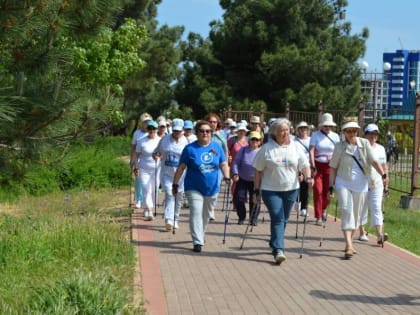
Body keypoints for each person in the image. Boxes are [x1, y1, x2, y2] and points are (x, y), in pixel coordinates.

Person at [253, 118, 312, 265]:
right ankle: (279, 250)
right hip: (270, 190)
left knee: (283, 219)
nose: (285, 133)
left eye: (286, 130)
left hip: (291, 189)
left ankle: (274, 242)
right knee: (278, 218)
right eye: (281, 131)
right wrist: (256, 190)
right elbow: (258, 171)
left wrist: (308, 176)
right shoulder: (266, 149)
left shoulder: (296, 147)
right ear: (274, 133)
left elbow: (305, 165)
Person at [328, 118, 387, 259]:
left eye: (354, 130)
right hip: (343, 182)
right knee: (347, 210)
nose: (351, 133)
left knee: (356, 215)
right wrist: (331, 187)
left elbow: (373, 161)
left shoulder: (364, 143)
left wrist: (383, 175)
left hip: (361, 183)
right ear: (343, 132)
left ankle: (350, 242)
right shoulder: (339, 147)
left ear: (357, 131)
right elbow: (333, 168)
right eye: (348, 131)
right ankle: (348, 244)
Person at [172, 120, 231, 253]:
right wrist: (175, 184)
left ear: (211, 133)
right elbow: (181, 167)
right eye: (202, 131)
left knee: (206, 214)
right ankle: (197, 241)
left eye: (208, 131)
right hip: (193, 186)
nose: (205, 133)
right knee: (196, 212)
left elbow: (223, 164)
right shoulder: (190, 149)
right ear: (196, 133)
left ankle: (201, 233)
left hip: (212, 188)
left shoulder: (217, 147)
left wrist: (227, 176)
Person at [154, 118, 188, 230]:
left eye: (179, 131)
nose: (176, 133)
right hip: (167, 174)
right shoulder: (164, 140)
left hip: (181, 176)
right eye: (175, 131)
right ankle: (169, 220)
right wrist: (156, 155)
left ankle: (176, 218)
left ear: (182, 130)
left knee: (178, 198)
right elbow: (156, 151)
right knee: (169, 194)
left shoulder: (186, 141)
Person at [358, 123, 389, 245]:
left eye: (375, 133)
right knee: (363, 207)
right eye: (371, 133)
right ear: (366, 134)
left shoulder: (381, 148)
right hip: (363, 181)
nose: (373, 136)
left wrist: (386, 182)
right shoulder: (361, 148)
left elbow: (384, 167)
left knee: (376, 206)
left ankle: (379, 235)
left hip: (377, 182)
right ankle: (361, 231)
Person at [309, 113, 340, 225]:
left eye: (329, 126)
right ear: (322, 125)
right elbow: (311, 150)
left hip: (330, 167)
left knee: (328, 191)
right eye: (325, 125)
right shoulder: (315, 135)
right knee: (318, 190)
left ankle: (324, 209)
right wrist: (312, 164)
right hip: (318, 165)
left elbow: (338, 151)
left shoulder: (336, 136)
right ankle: (318, 216)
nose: (327, 128)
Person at [232, 131, 261, 225]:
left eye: (257, 139)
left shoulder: (262, 152)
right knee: (238, 198)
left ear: (260, 141)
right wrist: (235, 173)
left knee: (255, 200)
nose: (254, 141)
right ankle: (242, 216)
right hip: (242, 178)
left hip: (256, 180)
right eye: (253, 139)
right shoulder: (243, 150)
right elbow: (236, 162)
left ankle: (253, 219)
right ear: (249, 140)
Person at [134, 120, 161, 221]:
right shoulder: (141, 140)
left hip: (156, 169)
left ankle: (147, 207)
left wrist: (159, 156)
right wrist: (136, 167)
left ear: (157, 129)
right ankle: (149, 210)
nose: (152, 130)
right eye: (150, 128)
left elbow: (164, 153)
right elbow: (136, 155)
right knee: (146, 188)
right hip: (144, 168)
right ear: (147, 129)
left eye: (154, 128)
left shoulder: (160, 140)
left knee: (154, 190)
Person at [130, 112, 152, 208]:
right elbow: (133, 148)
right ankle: (139, 199)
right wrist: (132, 161)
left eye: (148, 122)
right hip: (138, 160)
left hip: (150, 161)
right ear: (141, 123)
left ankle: (148, 200)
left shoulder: (153, 131)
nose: (146, 124)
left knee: (149, 182)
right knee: (138, 180)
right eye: (144, 122)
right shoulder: (137, 133)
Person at [294, 121, 311, 217]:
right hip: (298, 166)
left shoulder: (311, 140)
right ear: (298, 130)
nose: (303, 130)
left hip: (308, 167)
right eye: (301, 128)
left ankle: (304, 207)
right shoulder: (295, 141)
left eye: (305, 128)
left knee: (305, 187)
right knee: (297, 186)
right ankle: (297, 201)